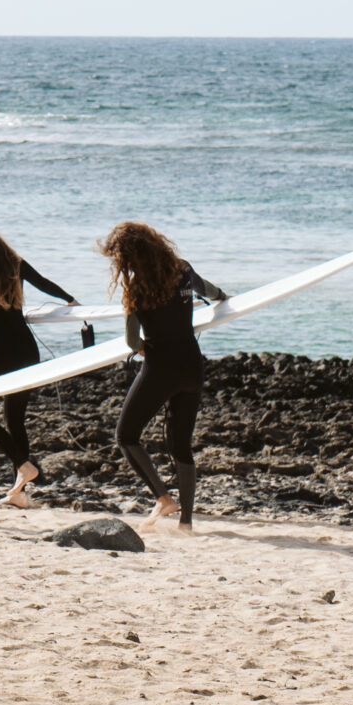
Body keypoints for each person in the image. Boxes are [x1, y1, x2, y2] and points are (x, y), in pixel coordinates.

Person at [98, 220, 230, 530]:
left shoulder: (135, 288)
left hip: (160, 369)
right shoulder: (182, 269)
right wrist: (225, 297)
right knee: (181, 445)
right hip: (192, 366)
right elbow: (210, 291)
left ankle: (163, 498)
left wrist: (144, 348)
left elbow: (132, 341)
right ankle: (186, 522)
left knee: (126, 435)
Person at [0, 215, 79, 509]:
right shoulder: (14, 263)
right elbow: (43, 283)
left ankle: (23, 466)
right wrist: (70, 301)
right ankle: (20, 491)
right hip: (27, 351)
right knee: (15, 420)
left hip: (2, 354)